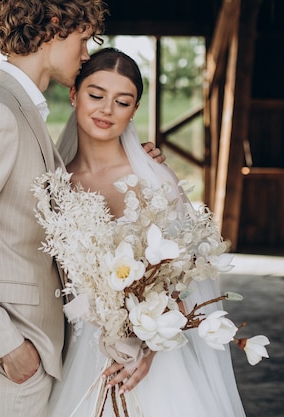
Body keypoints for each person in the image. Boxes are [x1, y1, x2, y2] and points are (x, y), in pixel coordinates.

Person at [0, 1, 163, 415]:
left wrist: (130, 164)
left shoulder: (23, 111)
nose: (86, 53)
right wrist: (8, 347)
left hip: (45, 351)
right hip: (13, 359)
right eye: (84, 38)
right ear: (53, 26)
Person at [47, 47, 247, 417]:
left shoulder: (154, 178)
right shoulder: (56, 184)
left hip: (156, 359)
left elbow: (190, 274)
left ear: (134, 110)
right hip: (83, 352)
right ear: (74, 95)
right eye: (95, 95)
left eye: (122, 101)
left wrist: (151, 342)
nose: (106, 109)